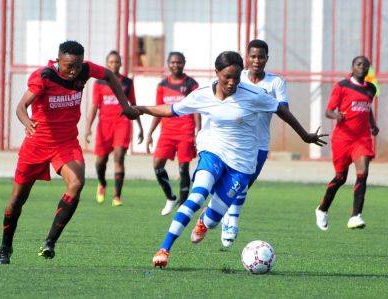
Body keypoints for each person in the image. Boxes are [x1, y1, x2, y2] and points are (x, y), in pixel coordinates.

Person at [135, 51, 326, 268]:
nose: (232, 82)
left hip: (242, 164)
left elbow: (281, 110)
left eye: (236, 77)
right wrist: (140, 109)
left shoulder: (253, 94)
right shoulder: (203, 94)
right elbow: (172, 110)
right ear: (217, 73)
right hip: (212, 152)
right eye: (227, 77)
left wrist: (305, 136)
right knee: (197, 196)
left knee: (214, 219)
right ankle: (164, 248)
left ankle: (204, 221)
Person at [0, 41, 139, 265]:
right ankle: (5, 248)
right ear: (58, 61)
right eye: (69, 66)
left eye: (78, 66)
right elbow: (20, 107)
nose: (74, 71)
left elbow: (110, 76)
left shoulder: (86, 70)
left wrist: (125, 105)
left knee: (77, 182)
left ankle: (50, 242)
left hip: (66, 144)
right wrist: (27, 122)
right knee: (17, 200)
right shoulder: (43, 76)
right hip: (36, 145)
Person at [219, 39, 327, 247]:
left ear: (267, 59)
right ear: (246, 58)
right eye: (253, 56)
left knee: (242, 185)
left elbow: (282, 110)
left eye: (261, 57)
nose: (257, 60)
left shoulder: (275, 83)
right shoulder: (236, 78)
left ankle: (221, 211)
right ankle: (230, 221)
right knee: (235, 183)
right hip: (234, 140)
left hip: (259, 143)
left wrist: (304, 135)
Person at [315, 55, 379, 231]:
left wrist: (373, 125)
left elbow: (367, 108)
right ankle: (322, 209)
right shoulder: (342, 86)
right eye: (359, 64)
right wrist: (337, 116)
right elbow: (329, 111)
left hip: (362, 138)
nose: (363, 68)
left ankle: (355, 215)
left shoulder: (371, 89)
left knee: (363, 172)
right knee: (340, 178)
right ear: (353, 66)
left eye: (366, 66)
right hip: (343, 138)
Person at [85, 50, 144, 206]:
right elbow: (94, 106)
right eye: (111, 62)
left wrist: (140, 127)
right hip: (104, 126)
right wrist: (88, 127)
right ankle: (102, 183)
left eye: (116, 62)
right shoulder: (99, 83)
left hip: (122, 124)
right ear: (106, 64)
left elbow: (133, 105)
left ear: (121, 63)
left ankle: (117, 196)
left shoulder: (127, 82)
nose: (114, 64)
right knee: (100, 162)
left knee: (119, 156)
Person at [146, 52, 200, 216]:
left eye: (179, 62)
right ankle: (170, 197)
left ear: (184, 63)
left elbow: (196, 108)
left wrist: (198, 130)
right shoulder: (162, 85)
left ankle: (183, 204)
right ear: (168, 64)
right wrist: (150, 133)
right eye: (173, 62)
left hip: (185, 130)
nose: (175, 65)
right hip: (167, 132)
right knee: (157, 164)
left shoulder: (191, 84)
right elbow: (158, 110)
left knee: (183, 167)